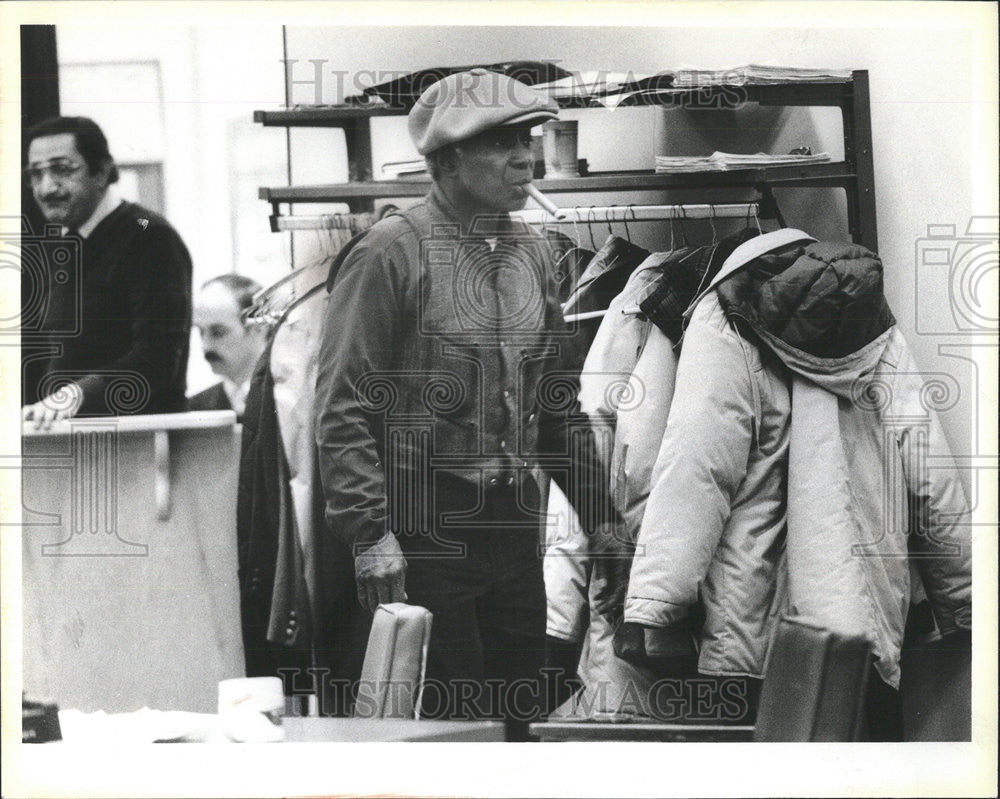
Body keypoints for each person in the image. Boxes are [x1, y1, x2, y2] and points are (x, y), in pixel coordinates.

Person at [314, 69, 609, 738]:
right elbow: (340, 405)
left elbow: (557, 405)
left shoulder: (533, 254)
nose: (522, 159)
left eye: (526, 140)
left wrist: (607, 521)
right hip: (425, 525)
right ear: (446, 159)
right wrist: (370, 532)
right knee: (454, 727)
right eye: (499, 143)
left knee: (519, 718)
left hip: (512, 523)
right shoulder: (391, 252)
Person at [22, 116, 192, 428]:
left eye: (61, 169)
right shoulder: (68, 240)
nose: (47, 187)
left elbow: (157, 358)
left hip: (138, 444)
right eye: (36, 174)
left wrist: (70, 397)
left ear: (101, 172)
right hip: (79, 442)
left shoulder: (149, 235)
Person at [189, 274, 268, 419]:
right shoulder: (193, 412)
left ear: (258, 327)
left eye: (218, 332)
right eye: (201, 332)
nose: (205, 345)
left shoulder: (288, 402)